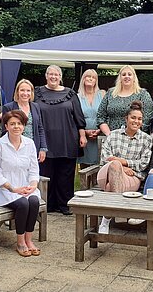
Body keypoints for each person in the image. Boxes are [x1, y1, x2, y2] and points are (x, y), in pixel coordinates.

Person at [0, 110, 41, 257]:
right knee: (23, 204)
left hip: (24, 185)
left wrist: (33, 185)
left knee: (34, 201)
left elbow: (34, 169)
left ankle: (29, 240)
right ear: (6, 126)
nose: (16, 127)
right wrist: (13, 189)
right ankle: (20, 242)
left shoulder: (29, 143)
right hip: (3, 188)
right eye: (12, 124)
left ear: (23, 126)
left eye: (19, 124)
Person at [34, 65, 87, 215]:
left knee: (66, 174)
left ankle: (65, 205)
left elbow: (79, 117)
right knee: (46, 173)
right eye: (50, 74)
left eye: (56, 74)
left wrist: (82, 135)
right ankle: (48, 204)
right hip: (45, 140)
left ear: (60, 76)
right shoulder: (37, 93)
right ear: (46, 76)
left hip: (67, 139)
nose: (53, 77)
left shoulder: (70, 94)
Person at [97, 101, 153, 234]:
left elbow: (143, 164)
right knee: (115, 165)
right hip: (105, 175)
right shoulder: (113, 135)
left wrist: (123, 162)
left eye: (139, 119)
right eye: (133, 117)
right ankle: (120, 212)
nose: (136, 121)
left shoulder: (146, 139)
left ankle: (106, 220)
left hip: (132, 177)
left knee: (112, 186)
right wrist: (119, 166)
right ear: (126, 118)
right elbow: (106, 158)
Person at [97, 65, 153, 134]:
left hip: (136, 138)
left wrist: (132, 134)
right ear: (120, 78)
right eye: (124, 74)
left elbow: (147, 118)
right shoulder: (110, 93)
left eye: (129, 74)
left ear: (134, 78)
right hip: (112, 137)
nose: (127, 76)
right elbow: (100, 116)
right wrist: (110, 135)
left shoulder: (143, 94)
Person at [2, 79, 47, 162]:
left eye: (28, 90)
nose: (25, 93)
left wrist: (43, 148)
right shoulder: (8, 107)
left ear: (32, 93)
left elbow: (40, 128)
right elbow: (5, 130)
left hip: (33, 148)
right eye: (22, 90)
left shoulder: (35, 106)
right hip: (15, 148)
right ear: (17, 92)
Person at [77, 69, 106, 168]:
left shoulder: (102, 95)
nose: (90, 78)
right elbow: (75, 117)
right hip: (83, 135)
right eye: (88, 76)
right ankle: (84, 184)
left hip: (100, 134)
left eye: (93, 77)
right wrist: (84, 132)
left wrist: (99, 130)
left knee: (100, 165)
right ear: (83, 79)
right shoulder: (77, 97)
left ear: (96, 81)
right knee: (85, 166)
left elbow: (106, 114)